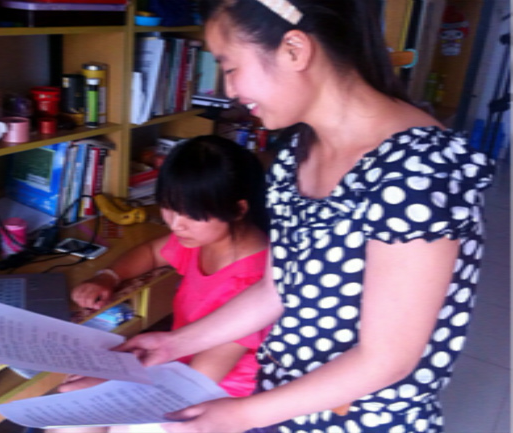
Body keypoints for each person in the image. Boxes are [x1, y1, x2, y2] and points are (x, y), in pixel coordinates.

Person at [114, 1, 496, 432]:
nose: (229, 89)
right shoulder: (297, 155)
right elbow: (276, 290)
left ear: (294, 50)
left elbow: (387, 359)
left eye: (231, 67)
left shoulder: (418, 171)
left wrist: (242, 414)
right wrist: (174, 343)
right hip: (287, 404)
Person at [51, 135, 270, 433]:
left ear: (238, 209)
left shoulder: (252, 280)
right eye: (169, 207)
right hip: (177, 364)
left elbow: (199, 381)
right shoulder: (205, 238)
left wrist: (114, 380)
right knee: (73, 403)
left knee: (78, 411)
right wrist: (108, 276)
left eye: (191, 214)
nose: (175, 223)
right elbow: (151, 252)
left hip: (217, 397)